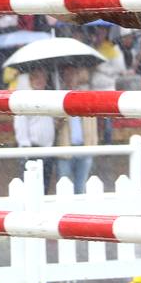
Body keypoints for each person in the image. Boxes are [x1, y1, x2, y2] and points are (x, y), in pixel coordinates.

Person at [13, 66, 56, 193]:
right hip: (32, 149)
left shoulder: (49, 98)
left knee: (44, 188)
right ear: (31, 80)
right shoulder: (25, 99)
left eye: (42, 77)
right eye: (36, 77)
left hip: (47, 150)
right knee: (31, 189)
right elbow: (20, 123)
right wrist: (25, 147)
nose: (40, 81)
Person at [53, 66, 96, 194]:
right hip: (66, 147)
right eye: (67, 75)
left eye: (73, 74)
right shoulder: (58, 97)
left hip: (84, 146)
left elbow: (93, 122)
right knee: (64, 186)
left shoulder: (87, 96)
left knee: (80, 187)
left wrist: (93, 143)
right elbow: (55, 124)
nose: (70, 78)